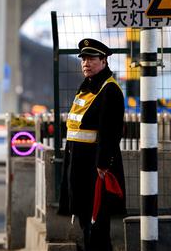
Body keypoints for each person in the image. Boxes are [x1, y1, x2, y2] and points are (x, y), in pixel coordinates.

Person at [58, 38, 126, 251]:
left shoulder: (110, 90)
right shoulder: (87, 87)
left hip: (96, 168)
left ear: (104, 61)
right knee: (86, 219)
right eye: (84, 59)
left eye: (92, 58)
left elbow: (110, 132)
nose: (86, 63)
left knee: (97, 222)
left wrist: (103, 165)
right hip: (77, 164)